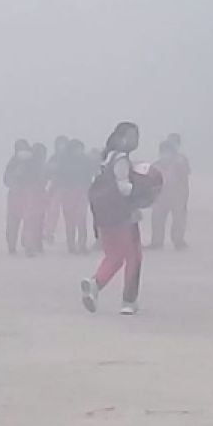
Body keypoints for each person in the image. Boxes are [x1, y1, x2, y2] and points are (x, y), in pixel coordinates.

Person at [81, 122, 145, 315]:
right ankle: (128, 301)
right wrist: (143, 191)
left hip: (103, 215)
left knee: (114, 256)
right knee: (133, 256)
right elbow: (124, 188)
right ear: (120, 137)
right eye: (132, 135)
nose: (135, 140)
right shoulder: (121, 160)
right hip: (123, 216)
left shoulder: (105, 158)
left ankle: (95, 284)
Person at [150, 134, 191, 250]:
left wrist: (184, 196)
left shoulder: (180, 163)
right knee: (157, 220)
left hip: (177, 196)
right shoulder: (155, 166)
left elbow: (184, 180)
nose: (165, 155)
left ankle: (178, 240)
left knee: (179, 220)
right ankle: (157, 241)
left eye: (168, 152)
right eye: (163, 152)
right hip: (160, 198)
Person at [62, 139, 94, 255]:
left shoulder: (85, 161)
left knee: (81, 219)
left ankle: (82, 245)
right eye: (77, 148)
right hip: (68, 192)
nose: (79, 151)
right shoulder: (64, 161)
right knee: (69, 220)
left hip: (81, 191)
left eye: (80, 148)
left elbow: (90, 175)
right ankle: (71, 245)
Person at [3, 139, 33, 254]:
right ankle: (11, 246)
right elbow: (6, 179)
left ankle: (29, 246)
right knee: (12, 222)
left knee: (29, 222)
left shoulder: (33, 163)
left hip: (28, 195)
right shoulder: (13, 162)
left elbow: (38, 177)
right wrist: (14, 179)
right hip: (15, 195)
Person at [21, 142, 50, 256]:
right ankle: (30, 245)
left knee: (34, 221)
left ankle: (32, 243)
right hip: (33, 194)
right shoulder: (37, 166)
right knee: (33, 221)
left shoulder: (29, 164)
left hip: (35, 194)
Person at [44, 135, 70, 245]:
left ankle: (70, 236)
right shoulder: (54, 158)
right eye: (60, 143)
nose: (61, 146)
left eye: (63, 143)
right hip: (56, 188)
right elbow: (47, 172)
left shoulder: (71, 158)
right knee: (53, 211)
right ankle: (49, 232)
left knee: (69, 212)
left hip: (69, 189)